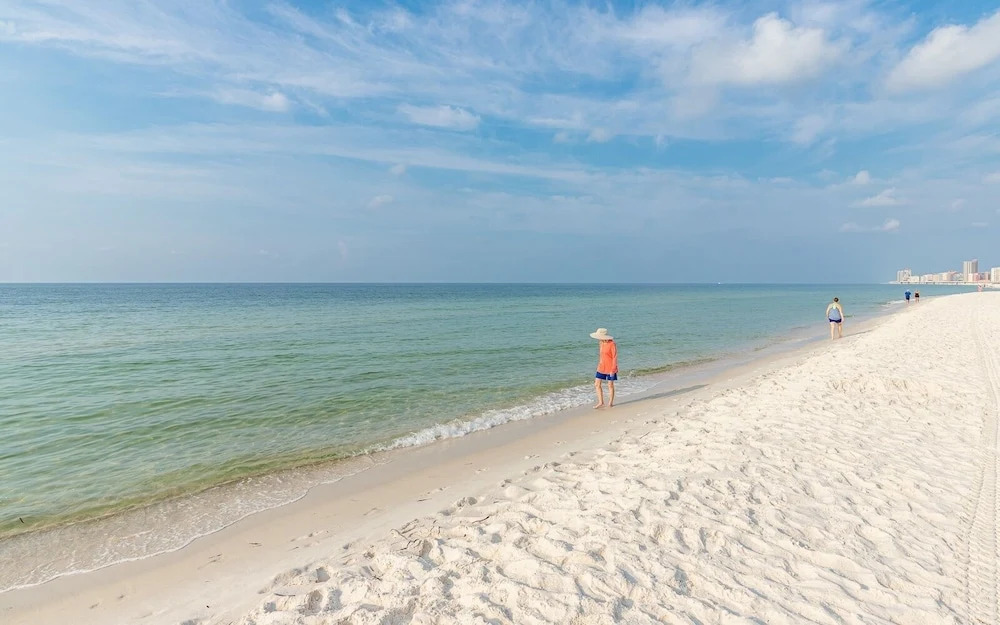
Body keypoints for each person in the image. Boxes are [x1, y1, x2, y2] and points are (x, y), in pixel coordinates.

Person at [590, 328, 618, 408]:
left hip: (611, 367)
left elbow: (614, 357)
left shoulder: (612, 344)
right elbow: (601, 356)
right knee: (597, 384)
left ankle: (610, 403)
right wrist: (599, 364)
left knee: (610, 385)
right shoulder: (601, 343)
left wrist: (613, 369)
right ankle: (601, 402)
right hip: (601, 367)